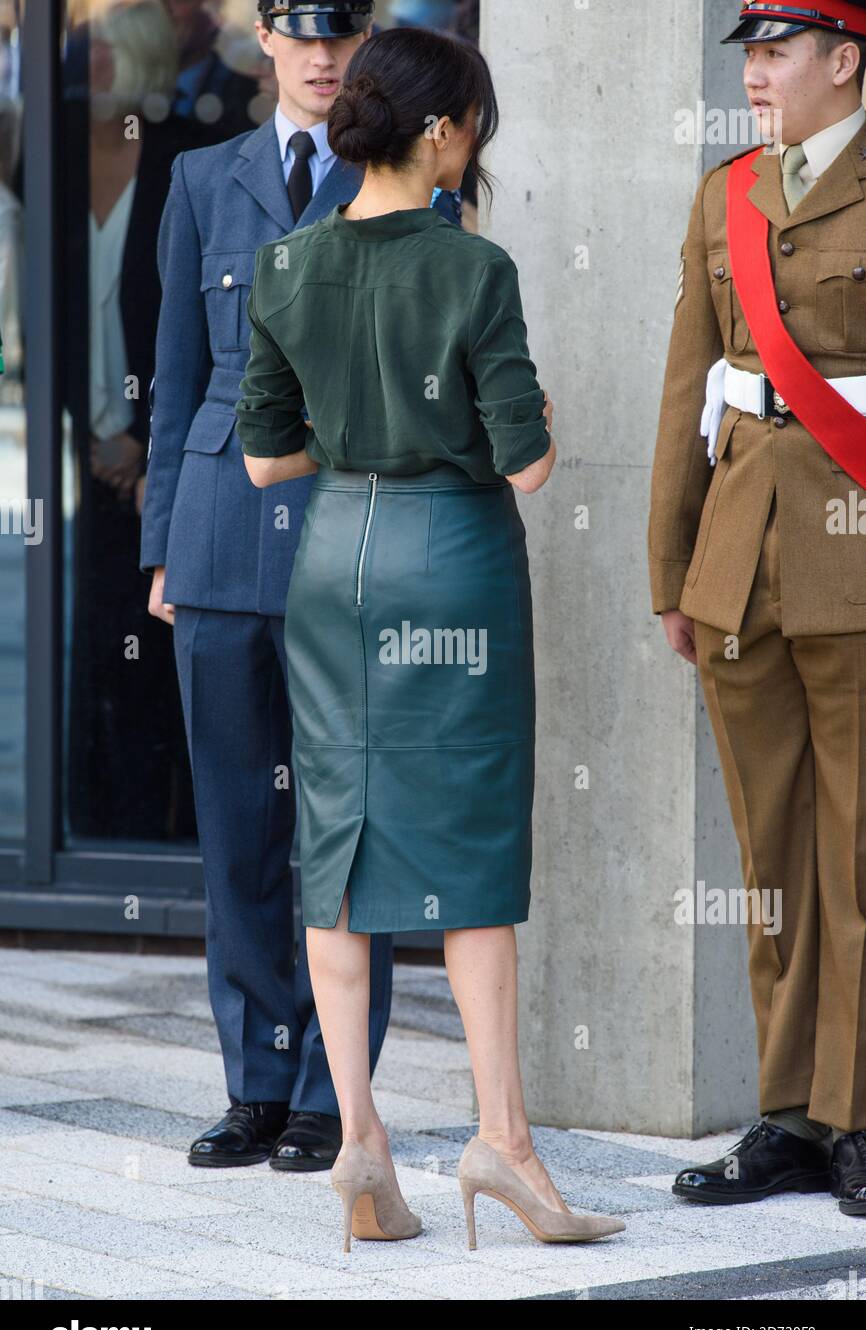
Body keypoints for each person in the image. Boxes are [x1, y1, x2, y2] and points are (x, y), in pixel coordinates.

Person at [236, 23, 626, 1252]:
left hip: (331, 561)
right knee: (468, 848)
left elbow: (261, 456)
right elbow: (526, 459)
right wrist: (516, 422)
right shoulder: (470, 268)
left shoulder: (287, 260)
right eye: (473, 127)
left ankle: (359, 1138)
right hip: (447, 567)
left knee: (335, 844)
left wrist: (359, 433)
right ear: (443, 130)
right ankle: (501, 1142)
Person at [140, 0, 461, 1174]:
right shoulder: (200, 178)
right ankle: (255, 1083)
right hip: (223, 538)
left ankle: (336, 1090)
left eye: (342, 36)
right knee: (235, 831)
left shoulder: (404, 173)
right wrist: (165, 542)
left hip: (353, 532)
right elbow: (174, 377)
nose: (323, 58)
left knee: (345, 831)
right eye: (301, 35)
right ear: (262, 38)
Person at [648, 0, 866, 1217]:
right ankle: (785, 1114)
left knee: (856, 849)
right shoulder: (725, 194)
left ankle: (856, 1112)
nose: (757, 74)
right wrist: (669, 566)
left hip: (852, 554)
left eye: (777, 52)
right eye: (749, 54)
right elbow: (691, 380)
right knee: (766, 854)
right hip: (738, 565)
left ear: (843, 62)